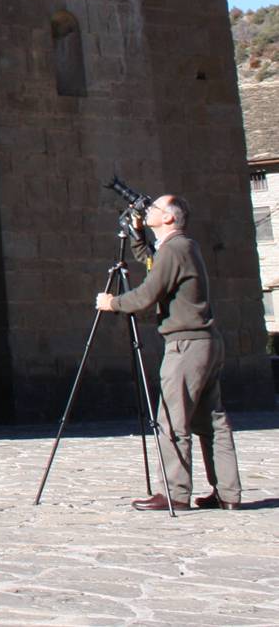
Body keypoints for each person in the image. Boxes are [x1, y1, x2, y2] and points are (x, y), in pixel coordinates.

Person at [97, 194, 242, 511]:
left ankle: (175, 493)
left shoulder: (175, 249)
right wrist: (138, 238)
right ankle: (228, 493)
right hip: (205, 341)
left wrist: (112, 303)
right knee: (212, 421)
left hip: (186, 345)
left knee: (171, 420)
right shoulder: (181, 248)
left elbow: (147, 294)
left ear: (171, 218)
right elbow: (156, 266)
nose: (149, 211)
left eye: (156, 209)